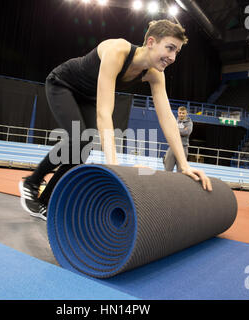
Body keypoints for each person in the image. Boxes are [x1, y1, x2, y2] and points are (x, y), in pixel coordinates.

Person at [19, 19, 213, 221]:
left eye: (177, 52)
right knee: (80, 141)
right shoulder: (117, 51)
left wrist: (184, 165)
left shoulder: (155, 74)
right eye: (170, 48)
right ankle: (31, 183)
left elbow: (167, 119)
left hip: (87, 97)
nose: (173, 57)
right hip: (62, 84)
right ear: (151, 42)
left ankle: (45, 201)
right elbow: (104, 113)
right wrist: (115, 166)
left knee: (82, 150)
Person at [163, 106, 193, 171]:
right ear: (178, 113)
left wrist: (175, 129)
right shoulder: (174, 121)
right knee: (167, 170)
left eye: (183, 113)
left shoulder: (189, 123)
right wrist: (181, 130)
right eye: (180, 113)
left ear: (186, 113)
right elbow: (169, 131)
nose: (181, 114)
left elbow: (186, 132)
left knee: (181, 171)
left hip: (183, 148)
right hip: (172, 147)